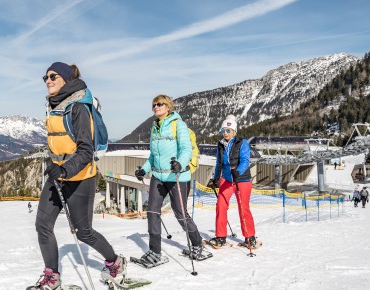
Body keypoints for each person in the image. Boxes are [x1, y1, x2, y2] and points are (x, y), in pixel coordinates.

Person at [31, 62, 125, 290]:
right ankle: (52, 276)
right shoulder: (54, 106)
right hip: (59, 175)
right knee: (43, 225)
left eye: (53, 76)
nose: (48, 80)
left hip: (81, 177)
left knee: (84, 233)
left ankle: (115, 263)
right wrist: (56, 166)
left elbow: (85, 151)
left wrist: (63, 169)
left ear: (66, 79)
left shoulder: (78, 108)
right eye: (45, 77)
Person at [134, 94, 209, 266]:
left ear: (168, 107)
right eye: (154, 104)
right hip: (158, 176)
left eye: (160, 104)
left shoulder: (178, 124)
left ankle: (197, 244)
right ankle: (155, 252)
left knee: (181, 214)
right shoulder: (154, 127)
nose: (156, 107)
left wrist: (180, 164)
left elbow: (186, 149)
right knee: (152, 212)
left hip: (177, 176)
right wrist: (144, 169)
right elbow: (153, 155)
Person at [206, 114, 258, 249]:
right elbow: (219, 163)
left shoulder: (242, 143)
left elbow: (246, 161)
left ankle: (250, 237)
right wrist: (216, 178)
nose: (225, 133)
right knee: (221, 205)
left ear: (234, 131)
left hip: (242, 180)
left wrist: (238, 171)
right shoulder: (220, 144)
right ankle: (221, 237)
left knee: (243, 208)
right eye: (223, 130)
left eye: (228, 130)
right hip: (227, 179)